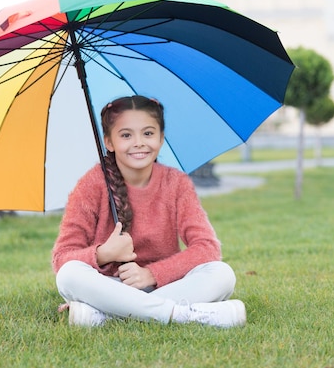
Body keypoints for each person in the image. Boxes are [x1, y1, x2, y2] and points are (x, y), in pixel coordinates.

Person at [52, 95, 246, 328]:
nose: (139, 143)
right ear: (109, 142)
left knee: (221, 274)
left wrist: (152, 274)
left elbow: (207, 248)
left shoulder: (176, 183)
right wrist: (104, 253)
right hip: (108, 287)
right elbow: (62, 258)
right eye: (126, 135)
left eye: (148, 133)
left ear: (161, 138)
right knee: (69, 274)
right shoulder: (91, 185)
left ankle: (106, 316)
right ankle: (183, 314)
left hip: (165, 285)